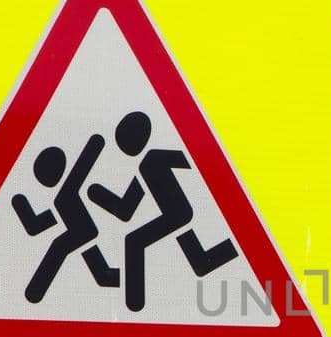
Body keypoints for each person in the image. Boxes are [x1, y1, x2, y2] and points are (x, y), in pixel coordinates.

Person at [88, 110, 239, 312]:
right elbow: (126, 209)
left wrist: (95, 193)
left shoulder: (153, 159)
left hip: (176, 214)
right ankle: (231, 249)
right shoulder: (147, 164)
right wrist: (98, 195)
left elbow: (196, 162)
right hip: (179, 215)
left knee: (134, 241)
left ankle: (134, 301)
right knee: (200, 258)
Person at [11, 139, 120, 303]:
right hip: (83, 231)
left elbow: (87, 159)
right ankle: (34, 293)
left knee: (62, 249)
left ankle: (34, 292)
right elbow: (38, 224)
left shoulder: (66, 192)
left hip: (82, 230)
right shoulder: (64, 194)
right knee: (94, 266)